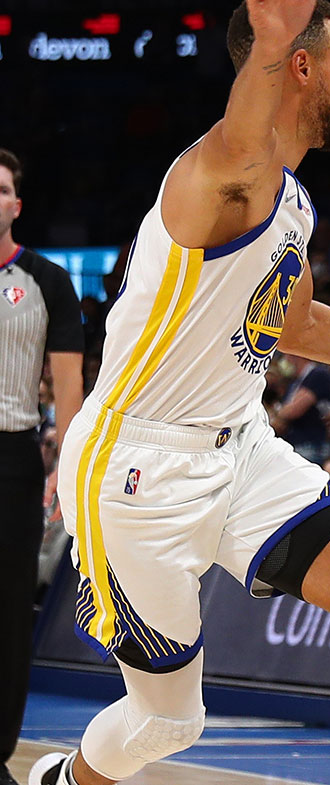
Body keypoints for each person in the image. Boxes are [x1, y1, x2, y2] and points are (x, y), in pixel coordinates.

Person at [34, 5, 330, 785]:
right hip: (136, 469)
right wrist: (274, 38)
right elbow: (253, 104)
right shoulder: (224, 172)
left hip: (240, 446)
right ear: (301, 67)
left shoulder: (292, 202)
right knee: (169, 721)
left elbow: (295, 322)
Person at [0, 148, 83, 785]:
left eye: (2, 189)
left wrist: (66, 465)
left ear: (17, 205)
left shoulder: (48, 280)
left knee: (7, 612)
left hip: (13, 458)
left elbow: (68, 385)